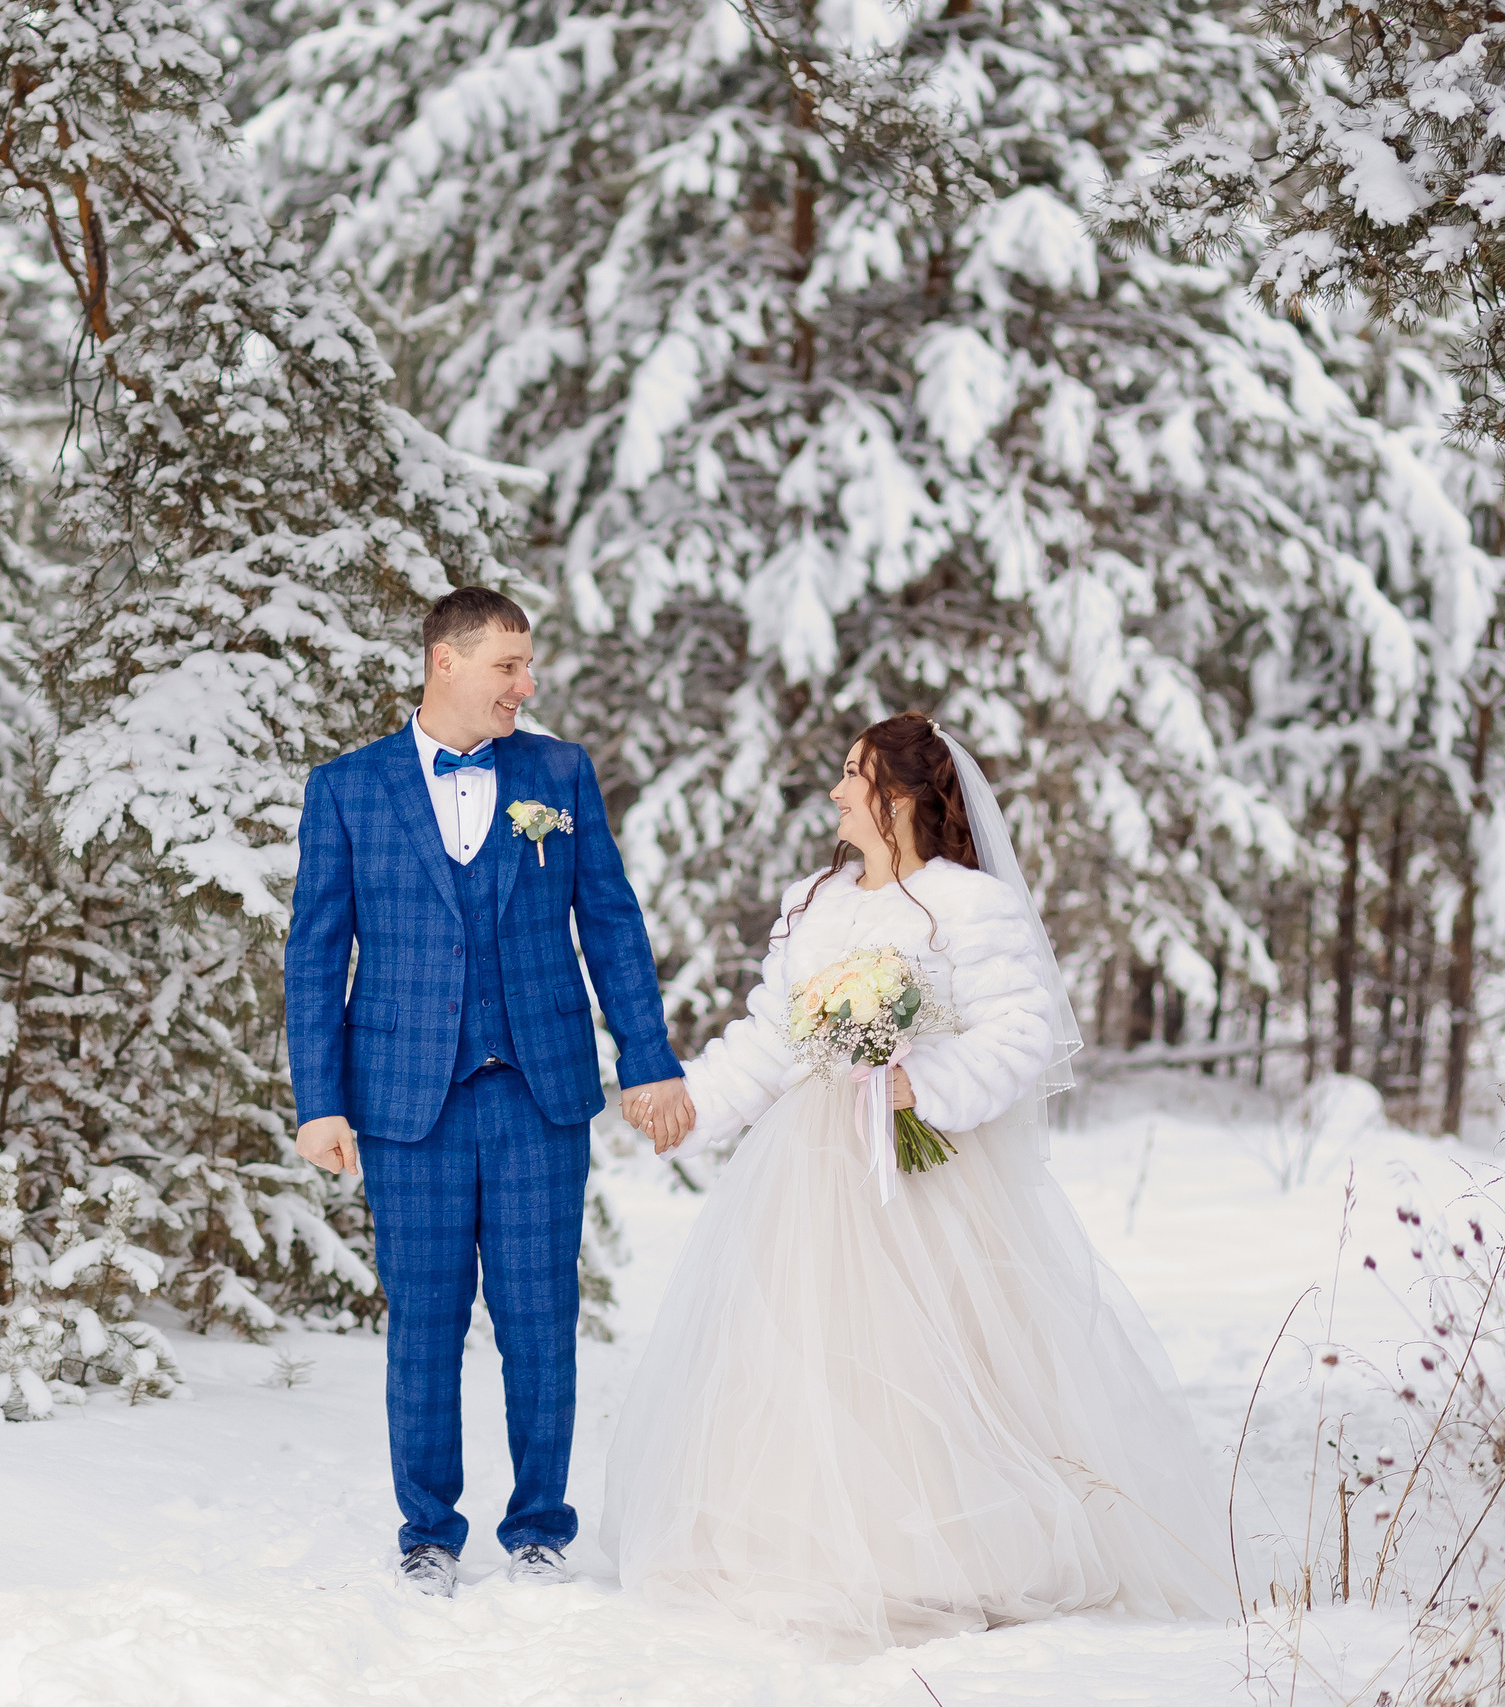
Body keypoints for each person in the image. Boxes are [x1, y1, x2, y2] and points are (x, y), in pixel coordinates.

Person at [602, 712, 1232, 1653]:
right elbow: (775, 1037)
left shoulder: (971, 906)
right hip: (812, 1173)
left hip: (925, 1169)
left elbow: (1018, 1032)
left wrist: (918, 1083)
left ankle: (945, 1557)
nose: (834, 791)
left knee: (926, 1353)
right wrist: (693, 1106)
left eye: (852, 773)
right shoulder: (813, 902)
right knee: (809, 1346)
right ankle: (804, 1544)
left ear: (897, 796)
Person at [285, 587, 692, 1600]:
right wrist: (318, 1100)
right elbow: (315, 955)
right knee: (422, 1322)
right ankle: (427, 1532)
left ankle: (540, 1529)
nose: (526, 684)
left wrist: (647, 1057)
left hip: (536, 1088)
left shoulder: (558, 773)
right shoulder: (347, 788)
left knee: (539, 1317)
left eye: (528, 664)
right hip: (404, 1097)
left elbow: (611, 922)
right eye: (508, 666)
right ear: (446, 662)